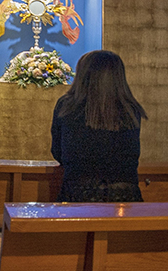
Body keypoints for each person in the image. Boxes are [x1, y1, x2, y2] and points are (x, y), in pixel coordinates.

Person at [51, 50, 148, 202]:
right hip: (125, 198)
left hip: (78, 196)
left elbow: (58, 152)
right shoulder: (130, 109)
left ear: (83, 76)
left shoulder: (67, 106)